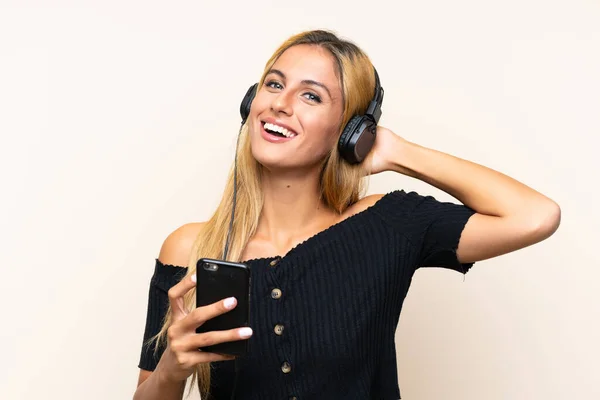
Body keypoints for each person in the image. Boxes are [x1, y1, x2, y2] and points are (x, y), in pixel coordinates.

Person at [132, 29, 561, 400]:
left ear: (350, 131)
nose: (281, 104)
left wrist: (398, 152)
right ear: (251, 103)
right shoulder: (190, 248)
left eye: (311, 96)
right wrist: (172, 365)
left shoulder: (388, 224)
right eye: (274, 85)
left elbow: (534, 215)